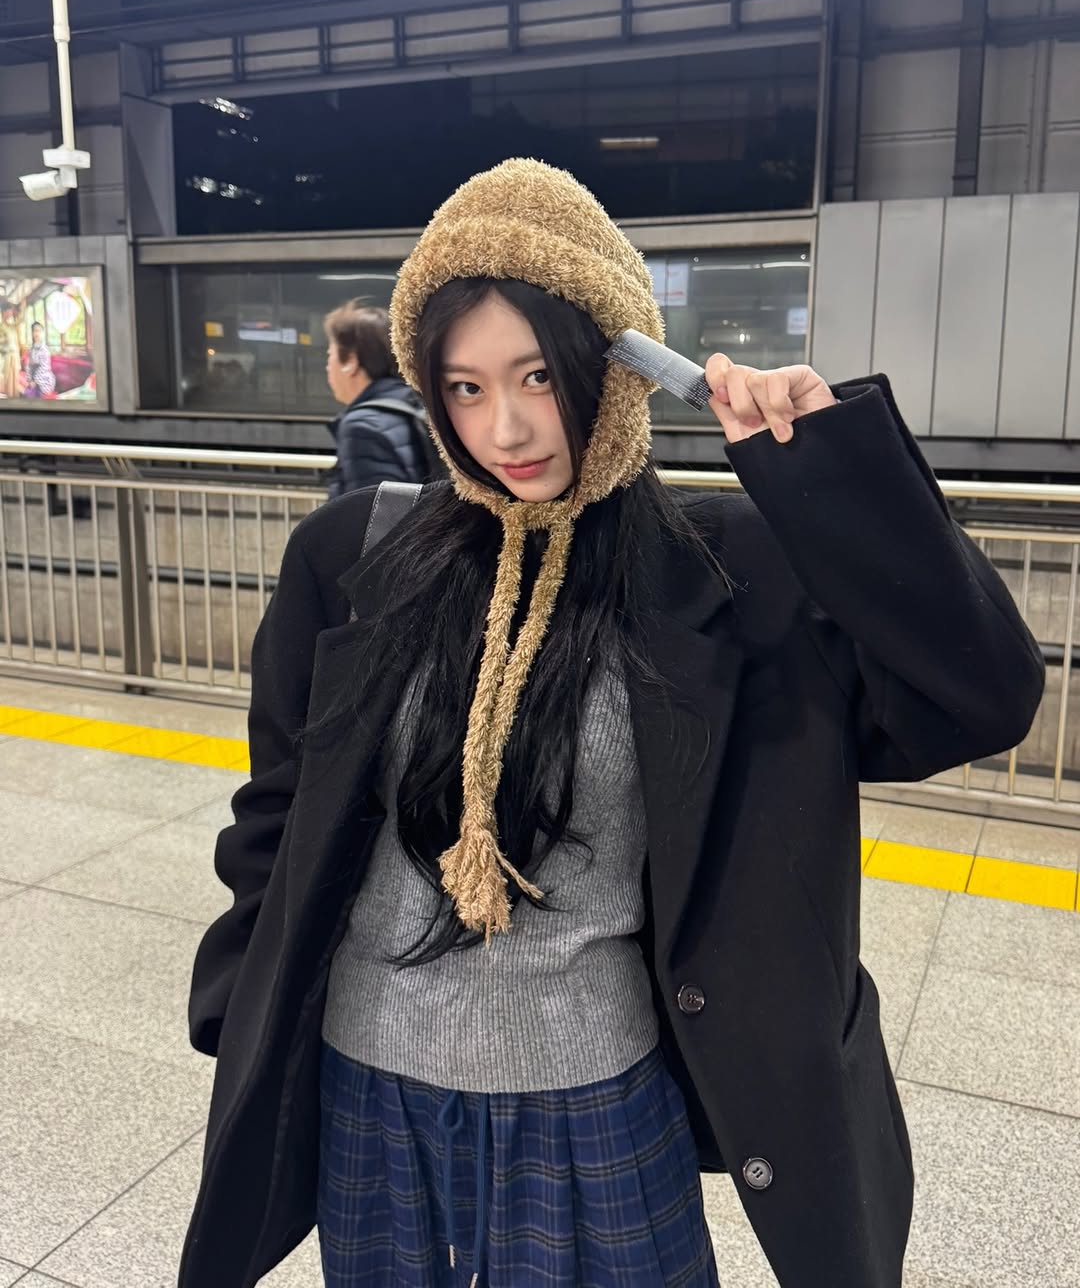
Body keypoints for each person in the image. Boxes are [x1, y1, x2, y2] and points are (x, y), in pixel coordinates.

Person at [181, 160, 1044, 1288]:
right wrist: (240, 998)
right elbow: (280, 806)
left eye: (539, 374)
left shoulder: (725, 571)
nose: (506, 427)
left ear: (619, 364)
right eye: (465, 387)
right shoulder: (354, 556)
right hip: (368, 1090)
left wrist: (829, 475)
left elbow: (979, 700)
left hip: (597, 1102)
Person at [324, 300, 429, 494]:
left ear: (351, 361)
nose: (328, 367)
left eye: (330, 355)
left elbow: (374, 510)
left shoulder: (362, 426)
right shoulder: (418, 403)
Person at [24, 321, 56, 398]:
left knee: (32, 396)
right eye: (35, 331)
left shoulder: (44, 349)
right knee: (25, 393)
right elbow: (29, 366)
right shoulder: (32, 349)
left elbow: (44, 367)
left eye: (39, 331)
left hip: (44, 380)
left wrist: (35, 382)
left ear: (42, 333)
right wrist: (29, 380)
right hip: (33, 380)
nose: (36, 333)